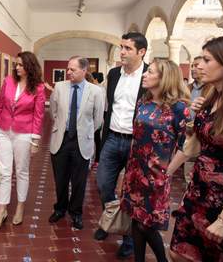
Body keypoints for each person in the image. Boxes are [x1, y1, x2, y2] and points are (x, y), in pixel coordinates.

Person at [167, 36, 223, 261]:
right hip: (199, 190)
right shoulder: (213, 97)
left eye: (207, 60)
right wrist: (166, 173)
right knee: (177, 253)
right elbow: (194, 147)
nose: (198, 65)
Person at [121, 59, 191, 262]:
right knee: (136, 219)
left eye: (149, 72)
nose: (144, 74)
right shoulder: (144, 101)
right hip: (135, 171)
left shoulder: (179, 108)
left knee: (147, 224)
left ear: (164, 78)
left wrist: (167, 172)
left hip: (156, 176)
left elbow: (187, 146)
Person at [94, 32, 148, 259]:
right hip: (113, 138)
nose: (122, 52)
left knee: (131, 192)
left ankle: (127, 237)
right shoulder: (114, 74)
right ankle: (111, 218)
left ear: (141, 52)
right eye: (121, 47)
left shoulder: (151, 74)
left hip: (137, 142)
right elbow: (110, 108)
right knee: (103, 184)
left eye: (127, 48)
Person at [0, 51, 46, 229]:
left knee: (21, 171)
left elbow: (39, 115)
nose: (17, 67)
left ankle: (20, 207)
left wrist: (35, 141)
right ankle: (2, 210)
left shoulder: (39, 87)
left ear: (30, 66)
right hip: (4, 130)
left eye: (21, 65)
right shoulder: (8, 81)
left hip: (24, 133)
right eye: (16, 64)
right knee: (5, 172)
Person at [48, 56, 105, 230]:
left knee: (79, 181)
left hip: (82, 142)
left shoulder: (95, 91)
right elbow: (53, 112)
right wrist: (62, 126)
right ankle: (60, 209)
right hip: (61, 140)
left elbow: (98, 119)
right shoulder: (59, 87)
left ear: (84, 71)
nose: (69, 72)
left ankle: (76, 213)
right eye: (68, 68)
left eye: (73, 69)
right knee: (61, 179)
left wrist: (84, 132)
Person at [183, 56, 212, 183]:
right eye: (192, 66)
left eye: (197, 65)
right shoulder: (188, 88)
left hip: (202, 136)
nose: (194, 69)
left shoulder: (211, 89)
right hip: (187, 133)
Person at [91, 71, 106, 167]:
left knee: (95, 138)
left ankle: (95, 159)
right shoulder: (102, 89)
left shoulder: (97, 90)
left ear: (95, 79)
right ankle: (97, 159)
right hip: (98, 117)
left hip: (96, 117)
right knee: (97, 138)